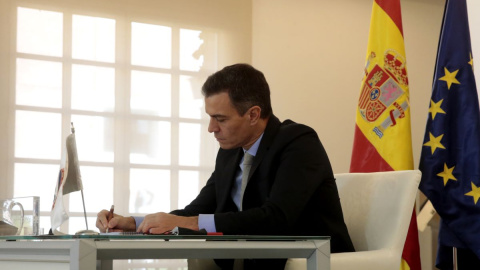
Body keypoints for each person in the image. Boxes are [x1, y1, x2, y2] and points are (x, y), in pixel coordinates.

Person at [96, 63, 355, 269]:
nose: (211, 129)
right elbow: (195, 212)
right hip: (256, 260)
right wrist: (134, 222)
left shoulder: (298, 142)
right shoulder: (230, 152)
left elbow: (276, 219)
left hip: (313, 259)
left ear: (253, 114)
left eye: (220, 119)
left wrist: (185, 222)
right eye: (210, 118)